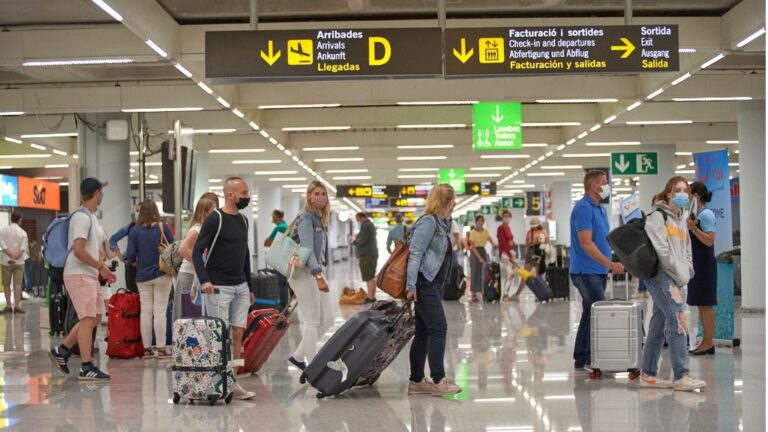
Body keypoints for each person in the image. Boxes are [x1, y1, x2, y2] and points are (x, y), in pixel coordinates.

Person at [639, 176, 706, 391]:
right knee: (678, 320)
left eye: (686, 191)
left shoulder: (680, 219)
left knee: (659, 324)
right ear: (668, 193)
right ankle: (681, 375)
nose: (683, 194)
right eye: (678, 190)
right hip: (660, 275)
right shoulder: (657, 217)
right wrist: (679, 273)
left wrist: (687, 271)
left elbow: (687, 250)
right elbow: (662, 252)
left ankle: (648, 374)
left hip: (676, 277)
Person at [192, 177, 255, 400]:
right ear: (230, 194)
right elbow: (196, 251)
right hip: (218, 287)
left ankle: (232, 382)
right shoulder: (214, 219)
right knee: (220, 336)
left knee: (238, 333)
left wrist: (250, 284)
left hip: (240, 286)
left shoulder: (244, 221)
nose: (248, 196)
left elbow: (244, 255)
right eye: (244, 192)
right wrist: (204, 280)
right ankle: (215, 381)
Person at [49, 177, 116, 381]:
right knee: (87, 319)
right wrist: (102, 268)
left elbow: (88, 248)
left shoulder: (90, 217)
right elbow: (78, 250)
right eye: (100, 192)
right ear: (96, 193)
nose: (101, 195)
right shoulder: (81, 218)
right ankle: (86, 367)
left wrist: (100, 264)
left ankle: (62, 351)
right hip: (78, 274)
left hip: (88, 274)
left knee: (95, 317)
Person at [406, 184, 462, 397]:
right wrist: (411, 286)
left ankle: (417, 380)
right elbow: (415, 254)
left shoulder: (441, 223)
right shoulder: (428, 223)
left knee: (423, 332)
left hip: (434, 284)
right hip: (424, 283)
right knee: (439, 328)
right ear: (448, 201)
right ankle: (439, 380)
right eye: (453, 201)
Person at [569, 170, 624, 373]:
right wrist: (609, 264)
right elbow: (586, 244)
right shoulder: (583, 208)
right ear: (594, 186)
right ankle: (593, 359)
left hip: (598, 270)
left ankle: (583, 359)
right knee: (598, 314)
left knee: (590, 314)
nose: (607, 186)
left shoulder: (599, 208)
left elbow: (602, 240)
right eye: (604, 182)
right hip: (585, 272)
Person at [287, 181, 334, 372]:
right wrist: (318, 275)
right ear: (308, 196)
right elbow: (306, 249)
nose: (320, 197)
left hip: (313, 271)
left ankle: (298, 356)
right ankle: (313, 367)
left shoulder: (318, 218)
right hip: (303, 273)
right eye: (316, 193)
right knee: (312, 320)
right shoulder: (306, 218)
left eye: (323, 194)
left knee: (328, 318)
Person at [125, 200, 175, 358]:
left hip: (142, 276)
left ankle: (146, 349)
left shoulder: (134, 230)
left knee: (146, 311)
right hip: (162, 273)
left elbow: (131, 255)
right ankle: (161, 348)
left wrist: (138, 261)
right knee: (160, 311)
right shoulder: (163, 227)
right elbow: (172, 248)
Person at [173, 197, 217, 322]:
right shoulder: (197, 229)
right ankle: (181, 340)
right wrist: (199, 264)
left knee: (191, 314)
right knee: (184, 313)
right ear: (205, 212)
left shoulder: (202, 228)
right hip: (188, 276)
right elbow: (183, 249)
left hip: (193, 276)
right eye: (213, 210)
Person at [686, 181, 717, 356]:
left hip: (705, 264)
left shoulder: (705, 215)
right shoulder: (694, 215)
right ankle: (705, 341)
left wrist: (694, 229)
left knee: (706, 304)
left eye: (688, 193)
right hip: (697, 263)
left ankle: (708, 342)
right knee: (701, 304)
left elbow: (710, 240)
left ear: (695, 195)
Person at [510, 217, 549, 302]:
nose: (534, 227)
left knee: (538, 275)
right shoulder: (529, 232)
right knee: (525, 274)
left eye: (535, 225)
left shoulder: (543, 231)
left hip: (539, 253)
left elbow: (547, 243)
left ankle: (540, 294)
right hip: (530, 252)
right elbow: (526, 243)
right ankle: (517, 295)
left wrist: (539, 243)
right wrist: (530, 243)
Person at [0, 211, 29, 313]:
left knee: (6, 284)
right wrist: (15, 256)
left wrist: (10, 255)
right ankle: (17, 306)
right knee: (18, 284)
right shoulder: (23, 233)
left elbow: (3, 246)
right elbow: (23, 248)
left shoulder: (3, 230)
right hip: (19, 262)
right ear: (19, 220)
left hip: (5, 261)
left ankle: (8, 306)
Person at [468, 215, 496, 303]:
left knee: (485, 273)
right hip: (474, 252)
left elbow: (491, 240)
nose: (480, 223)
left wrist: (495, 245)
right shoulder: (472, 232)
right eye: (478, 221)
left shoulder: (486, 231)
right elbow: (472, 247)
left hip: (482, 250)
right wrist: (480, 258)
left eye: (482, 221)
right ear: (475, 222)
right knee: (475, 272)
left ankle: (484, 292)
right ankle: (473, 294)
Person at [354, 212, 378, 303]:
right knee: (370, 276)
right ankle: (371, 296)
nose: (357, 221)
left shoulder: (366, 226)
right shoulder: (369, 225)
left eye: (357, 219)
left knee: (368, 276)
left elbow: (362, 240)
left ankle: (370, 297)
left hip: (366, 255)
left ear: (361, 217)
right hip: (370, 254)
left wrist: (355, 241)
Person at [496, 211, 515, 301]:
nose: (506, 218)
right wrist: (509, 253)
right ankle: (505, 295)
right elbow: (502, 243)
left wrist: (513, 252)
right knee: (510, 273)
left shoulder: (509, 228)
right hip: (504, 254)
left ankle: (506, 293)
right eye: (504, 216)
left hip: (511, 252)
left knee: (510, 274)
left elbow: (511, 241)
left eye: (508, 216)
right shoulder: (500, 228)